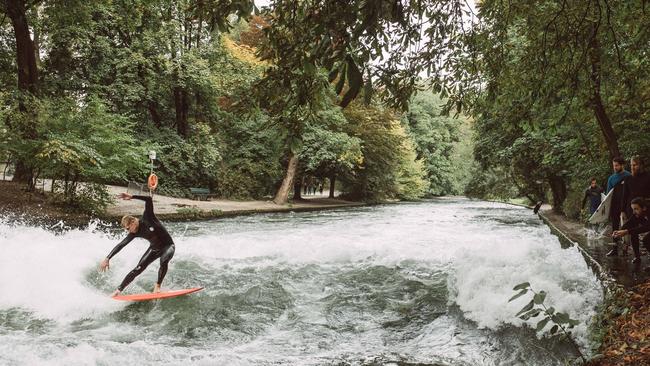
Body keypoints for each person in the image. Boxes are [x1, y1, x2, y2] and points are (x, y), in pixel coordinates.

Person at [99, 193, 175, 297]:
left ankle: (157, 286)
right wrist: (108, 258)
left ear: (133, 221)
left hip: (168, 245)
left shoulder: (148, 217)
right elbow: (121, 245)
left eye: (127, 228)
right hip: (154, 249)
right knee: (138, 268)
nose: (127, 231)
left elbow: (148, 199)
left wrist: (132, 196)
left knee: (164, 260)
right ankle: (118, 290)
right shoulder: (134, 233)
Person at [605, 156, 631, 257]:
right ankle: (615, 249)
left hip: (626, 206)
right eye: (614, 166)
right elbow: (608, 195)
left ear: (622, 165)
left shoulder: (628, 175)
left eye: (617, 165)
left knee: (626, 226)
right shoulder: (611, 178)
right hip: (615, 206)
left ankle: (626, 249)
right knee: (615, 227)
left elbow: (631, 191)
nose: (615, 167)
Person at [613, 197, 650, 265]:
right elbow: (630, 223)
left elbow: (646, 227)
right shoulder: (637, 213)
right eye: (633, 209)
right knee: (633, 232)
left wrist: (626, 232)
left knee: (646, 240)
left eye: (636, 209)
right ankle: (637, 257)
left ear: (644, 208)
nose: (633, 212)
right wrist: (619, 231)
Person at [620, 156, 650, 221]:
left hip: (645, 210)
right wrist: (622, 211)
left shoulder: (648, 177)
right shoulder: (628, 179)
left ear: (641, 165)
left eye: (634, 165)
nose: (632, 167)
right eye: (631, 165)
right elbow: (624, 196)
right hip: (631, 211)